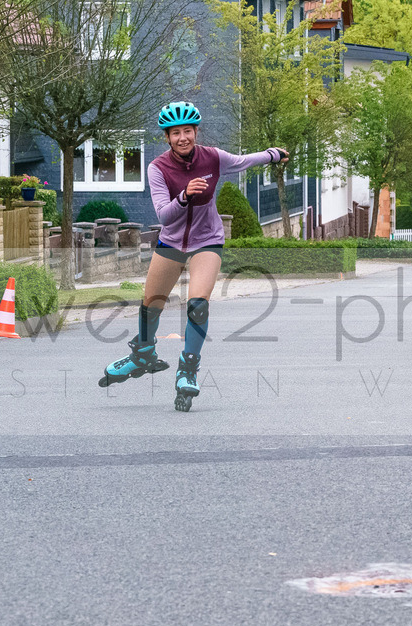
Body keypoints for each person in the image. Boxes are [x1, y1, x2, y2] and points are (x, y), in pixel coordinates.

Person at [99, 101, 288, 411]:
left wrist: (273, 154)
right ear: (167, 137)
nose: (182, 138)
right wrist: (185, 196)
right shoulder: (158, 168)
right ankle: (142, 354)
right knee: (151, 304)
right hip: (172, 241)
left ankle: (188, 370)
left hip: (207, 241)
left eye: (187, 131)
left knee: (198, 306)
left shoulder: (212, 157)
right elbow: (164, 215)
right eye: (175, 133)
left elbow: (243, 161)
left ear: (196, 132)